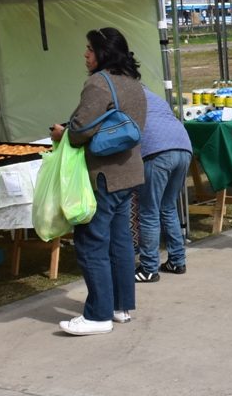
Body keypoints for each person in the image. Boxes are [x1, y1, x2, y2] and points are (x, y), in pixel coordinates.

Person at [51, 27, 146, 335]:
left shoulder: (98, 83)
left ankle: (97, 315)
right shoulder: (132, 83)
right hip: (128, 172)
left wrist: (62, 133)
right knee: (120, 243)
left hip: (102, 175)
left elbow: (79, 130)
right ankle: (120, 307)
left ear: (103, 53)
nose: (85, 54)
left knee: (91, 243)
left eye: (89, 49)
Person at [134, 87, 193, 283]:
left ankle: (149, 268)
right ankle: (177, 260)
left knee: (149, 210)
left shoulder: (120, 93)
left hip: (157, 151)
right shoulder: (151, 93)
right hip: (183, 146)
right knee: (168, 207)